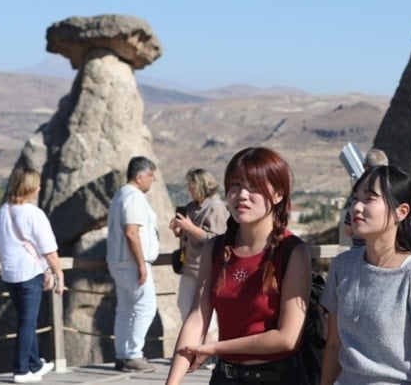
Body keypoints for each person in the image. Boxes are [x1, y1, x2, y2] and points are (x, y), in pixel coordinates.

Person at [166, 147, 312, 385]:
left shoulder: (292, 252)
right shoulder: (215, 249)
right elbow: (197, 318)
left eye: (254, 186)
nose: (242, 195)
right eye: (235, 185)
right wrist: (171, 382)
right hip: (224, 378)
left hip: (278, 379)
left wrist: (215, 347)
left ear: (278, 195)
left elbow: (287, 338)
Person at [320, 165, 411, 385]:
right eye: (355, 199)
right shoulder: (342, 265)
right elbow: (334, 344)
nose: (356, 207)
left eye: (369, 199)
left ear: (402, 211)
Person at [0, 167, 63, 384]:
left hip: (10, 273)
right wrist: (58, 273)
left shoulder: (3, 211)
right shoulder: (33, 214)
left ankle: (35, 364)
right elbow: (49, 250)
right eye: (38, 184)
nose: (40, 188)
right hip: (29, 273)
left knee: (25, 320)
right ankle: (21, 370)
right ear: (30, 187)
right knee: (27, 322)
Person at [106, 156, 160, 373]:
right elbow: (131, 232)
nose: (153, 180)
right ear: (139, 177)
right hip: (132, 263)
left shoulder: (120, 195)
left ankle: (122, 354)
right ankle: (133, 354)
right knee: (146, 307)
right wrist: (141, 264)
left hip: (119, 262)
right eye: (150, 175)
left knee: (125, 309)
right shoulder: (134, 197)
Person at [169, 168, 229, 320]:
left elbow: (216, 239)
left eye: (191, 185)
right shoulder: (191, 207)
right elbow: (187, 235)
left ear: (201, 186)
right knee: (184, 306)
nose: (189, 189)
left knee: (204, 312)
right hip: (189, 267)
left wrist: (189, 227)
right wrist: (179, 230)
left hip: (206, 269)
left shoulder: (216, 208)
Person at [339, 148, 389, 248]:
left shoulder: (358, 193)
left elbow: (348, 230)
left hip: (360, 250)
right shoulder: (395, 190)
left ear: (365, 167)